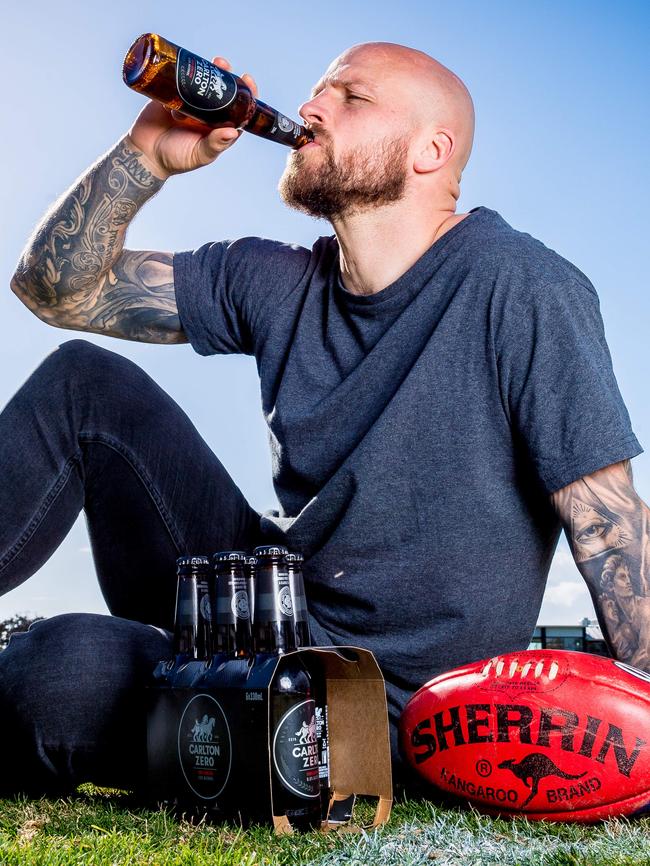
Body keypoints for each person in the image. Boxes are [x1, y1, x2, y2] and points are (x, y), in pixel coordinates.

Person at [2, 41, 647, 797]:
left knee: (58, 671)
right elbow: (57, 291)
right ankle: (185, 683)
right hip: (263, 612)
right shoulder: (273, 280)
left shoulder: (521, 285)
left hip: (374, 707)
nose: (309, 110)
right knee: (85, 383)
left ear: (429, 150)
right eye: (317, 94)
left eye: (351, 97)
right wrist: (146, 152)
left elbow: (608, 524)